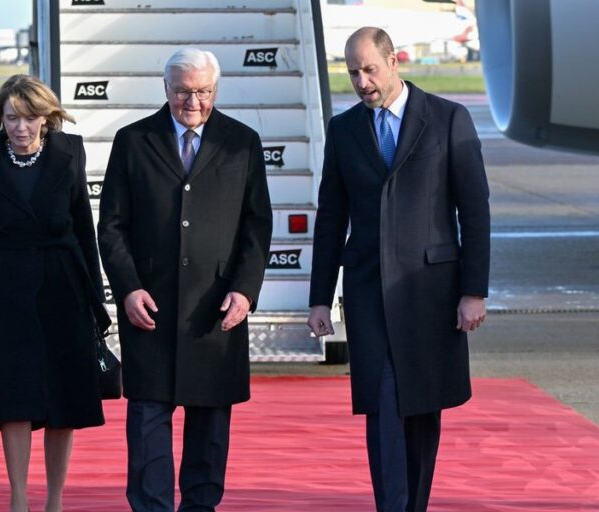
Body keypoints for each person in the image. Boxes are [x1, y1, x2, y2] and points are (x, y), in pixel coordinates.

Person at [306, 27, 490, 512]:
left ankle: (414, 504)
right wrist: (320, 297)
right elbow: (331, 217)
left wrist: (474, 290)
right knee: (384, 404)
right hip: (369, 292)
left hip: (431, 292)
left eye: (369, 69)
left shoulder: (448, 118)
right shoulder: (344, 131)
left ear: (394, 62)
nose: (361, 81)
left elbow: (474, 209)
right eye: (352, 72)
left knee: (422, 410)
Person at [97, 48, 272, 511]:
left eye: (203, 92)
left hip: (215, 311)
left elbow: (257, 225)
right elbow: (111, 225)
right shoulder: (133, 141)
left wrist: (245, 291)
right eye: (182, 92)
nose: (192, 102)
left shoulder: (243, 142)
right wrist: (128, 288)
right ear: (165, 89)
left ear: (216, 89)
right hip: (150, 310)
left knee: (210, 431)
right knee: (148, 428)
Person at [0, 74, 106, 512]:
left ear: (46, 118)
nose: (20, 128)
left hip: (64, 283)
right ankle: (19, 499)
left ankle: (55, 501)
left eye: (29, 118)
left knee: (65, 394)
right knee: (14, 394)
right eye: (11, 118)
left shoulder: (69, 151)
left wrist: (96, 301)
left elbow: (85, 228)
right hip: (6, 286)